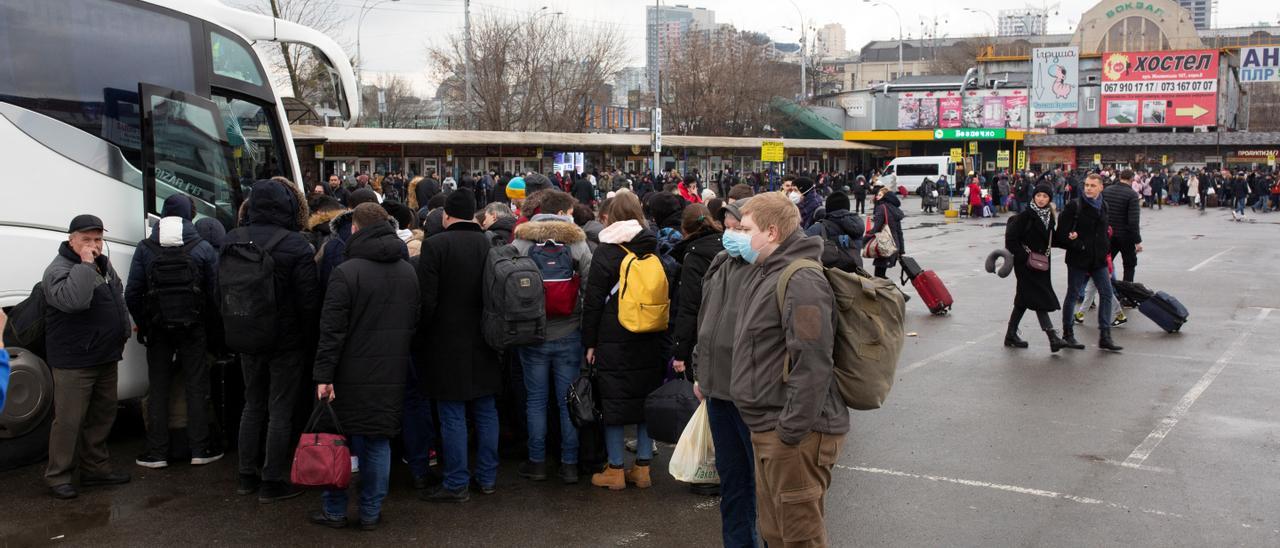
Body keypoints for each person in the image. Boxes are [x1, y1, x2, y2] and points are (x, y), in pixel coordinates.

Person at [732, 192, 848, 547]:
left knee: (800, 538)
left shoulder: (801, 280)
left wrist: (790, 430)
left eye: (745, 228)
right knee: (776, 534)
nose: (738, 234)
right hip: (770, 428)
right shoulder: (765, 271)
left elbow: (813, 362)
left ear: (771, 232)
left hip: (795, 434)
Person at [309, 203, 419, 531]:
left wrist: (323, 376)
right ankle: (371, 512)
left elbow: (330, 332)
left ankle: (334, 510)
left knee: (338, 441)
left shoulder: (346, 272)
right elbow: (415, 321)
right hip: (392, 372)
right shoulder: (408, 271)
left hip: (348, 374)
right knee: (378, 441)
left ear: (354, 229)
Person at [232, 179, 322, 502]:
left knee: (252, 404)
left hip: (246, 336)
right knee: (280, 410)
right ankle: (271, 479)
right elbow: (308, 301)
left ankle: (245, 475)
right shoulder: (296, 245)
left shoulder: (233, 239)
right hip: (286, 341)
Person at [415, 190, 501, 502]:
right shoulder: (489, 243)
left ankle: (456, 482)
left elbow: (428, 300)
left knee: (452, 413)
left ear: (446, 216)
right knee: (486, 410)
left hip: (446, 341)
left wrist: (422, 335)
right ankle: (488, 478)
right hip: (488, 338)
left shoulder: (435, 245)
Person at [126, 195, 222, 469]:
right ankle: (200, 448)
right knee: (196, 385)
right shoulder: (202, 247)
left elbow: (132, 293)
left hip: (157, 328)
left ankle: (157, 452)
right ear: (189, 217)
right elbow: (215, 294)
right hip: (194, 328)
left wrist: (145, 323)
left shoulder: (145, 248)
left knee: (158, 387)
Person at [42, 214, 133, 499]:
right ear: (71, 240)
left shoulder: (101, 264)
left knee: (102, 415)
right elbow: (74, 301)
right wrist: (84, 263)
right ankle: (58, 476)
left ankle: (95, 469)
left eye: (97, 239)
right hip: (75, 359)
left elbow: (117, 292)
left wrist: (123, 327)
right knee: (69, 420)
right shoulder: (59, 269)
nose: (93, 245)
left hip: (104, 354)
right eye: (86, 239)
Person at [581, 192, 668, 490]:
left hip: (613, 336)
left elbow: (593, 302)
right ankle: (643, 468)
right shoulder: (653, 249)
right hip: (649, 335)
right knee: (646, 402)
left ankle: (615, 469)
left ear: (611, 217)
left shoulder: (605, 252)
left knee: (614, 404)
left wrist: (589, 343)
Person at [686, 199, 760, 545]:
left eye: (741, 229)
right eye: (728, 227)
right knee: (733, 484)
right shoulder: (720, 263)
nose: (731, 235)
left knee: (765, 487)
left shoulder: (771, 269)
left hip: (752, 396)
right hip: (718, 392)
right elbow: (707, 322)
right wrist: (700, 370)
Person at [509, 190, 593, 484]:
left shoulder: (521, 240)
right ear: (562, 213)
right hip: (569, 331)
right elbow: (590, 286)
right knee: (567, 400)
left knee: (535, 401)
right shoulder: (576, 241)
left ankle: (537, 462)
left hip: (532, 333)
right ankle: (569, 464)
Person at [1055, 173, 1122, 352]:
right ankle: (1068, 334)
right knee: (1073, 294)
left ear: (1101, 187)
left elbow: (1104, 231)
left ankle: (1105, 336)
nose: (1089, 188)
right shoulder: (1074, 206)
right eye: (1086, 185)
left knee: (1107, 294)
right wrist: (1077, 243)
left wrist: (1106, 250)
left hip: (1098, 259)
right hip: (1078, 258)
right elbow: (1061, 235)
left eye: (1093, 185)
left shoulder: (1104, 206)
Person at [1003, 184, 1069, 352]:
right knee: (1038, 297)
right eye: (1038, 195)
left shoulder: (1049, 216)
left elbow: (1051, 239)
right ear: (1033, 197)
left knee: (1023, 300)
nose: (1041, 199)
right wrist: (1024, 257)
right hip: (1026, 265)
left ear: (1049, 199)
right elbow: (1011, 240)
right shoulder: (1025, 216)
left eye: (1045, 197)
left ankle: (1010, 335)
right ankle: (1052, 337)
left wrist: (1072, 241)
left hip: (1042, 264)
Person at [806, 191, 864, 272]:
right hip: (855, 276)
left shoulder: (819, 227)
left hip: (832, 278)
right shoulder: (857, 225)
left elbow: (802, 248)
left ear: (828, 208)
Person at [1102, 170, 1143, 283]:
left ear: (1120, 177)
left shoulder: (1107, 191)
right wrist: (1137, 241)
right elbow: (1133, 222)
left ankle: (1104, 290)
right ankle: (1126, 292)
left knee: (1104, 264)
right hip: (1126, 237)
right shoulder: (1132, 195)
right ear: (1131, 179)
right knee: (1129, 265)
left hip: (1108, 234)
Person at [870, 188, 906, 279]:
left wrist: (867, 238)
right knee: (881, 274)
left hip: (884, 244)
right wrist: (901, 249)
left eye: (879, 195)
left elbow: (877, 227)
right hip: (894, 245)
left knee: (879, 276)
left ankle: (889, 290)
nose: (877, 196)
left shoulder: (881, 208)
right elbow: (899, 232)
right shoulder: (894, 209)